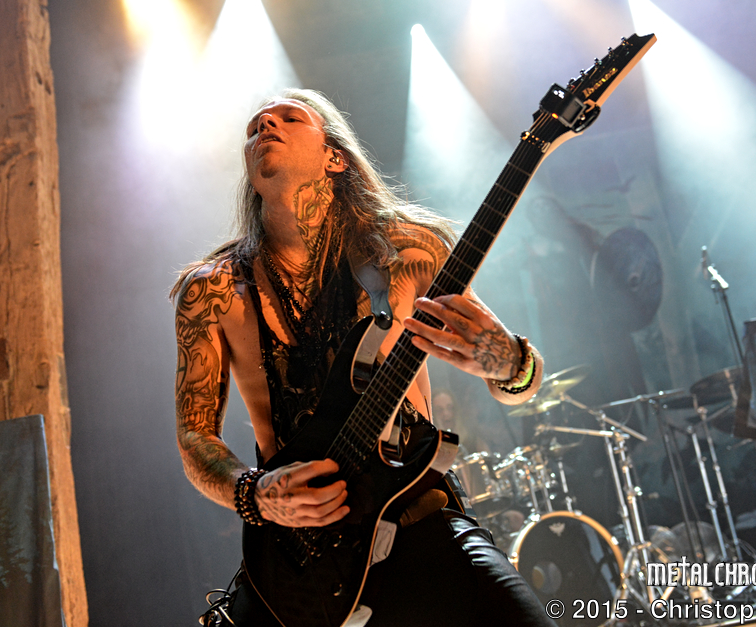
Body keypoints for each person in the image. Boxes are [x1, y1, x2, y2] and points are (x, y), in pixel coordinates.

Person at [172, 88, 553, 626]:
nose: (265, 126)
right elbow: (194, 435)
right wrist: (253, 495)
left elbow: (519, 382)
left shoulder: (409, 252)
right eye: (255, 127)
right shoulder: (213, 290)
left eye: (289, 118)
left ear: (335, 157)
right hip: (300, 565)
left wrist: (512, 364)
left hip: (417, 521)